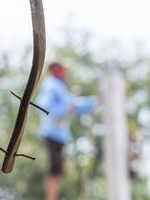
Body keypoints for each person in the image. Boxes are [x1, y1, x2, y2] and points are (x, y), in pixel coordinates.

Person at [36, 62, 99, 200]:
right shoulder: (51, 85)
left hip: (59, 134)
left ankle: (53, 197)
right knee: (55, 169)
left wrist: (94, 101)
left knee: (58, 170)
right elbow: (44, 107)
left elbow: (73, 105)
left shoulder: (59, 87)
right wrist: (64, 110)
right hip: (52, 131)